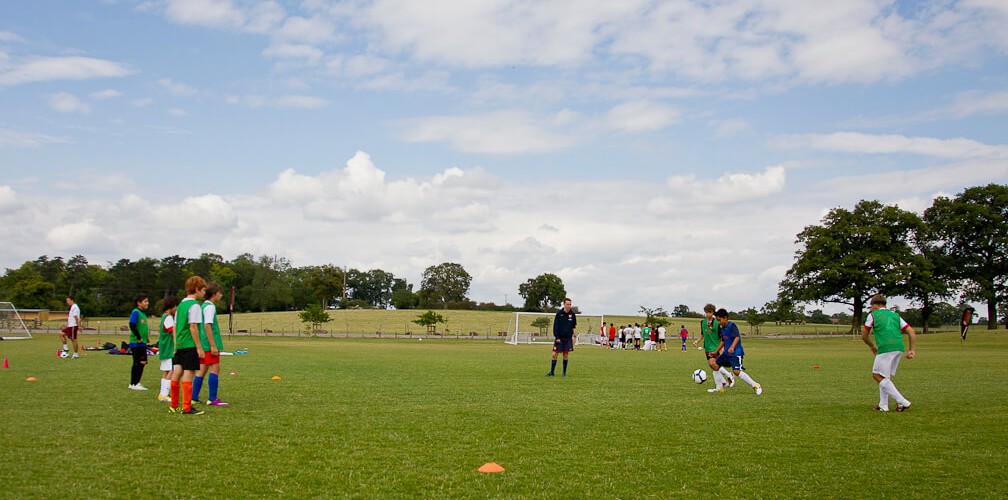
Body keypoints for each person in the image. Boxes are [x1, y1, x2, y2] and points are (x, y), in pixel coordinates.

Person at [861, 294, 916, 412]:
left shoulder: (873, 315)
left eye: (871, 306)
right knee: (884, 376)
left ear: (875, 306)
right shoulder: (895, 315)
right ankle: (883, 405)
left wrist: (872, 346)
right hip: (899, 347)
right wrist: (912, 350)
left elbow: (864, 336)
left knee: (876, 375)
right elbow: (911, 331)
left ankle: (902, 401)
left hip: (885, 348)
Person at [170, 276, 207, 415]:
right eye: (203, 290)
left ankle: (174, 405)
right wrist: (199, 347)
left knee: (177, 372)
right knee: (189, 373)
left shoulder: (180, 305)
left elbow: (175, 326)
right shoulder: (194, 305)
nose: (204, 293)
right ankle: (186, 406)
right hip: (189, 344)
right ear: (197, 290)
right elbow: (193, 327)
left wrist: (175, 345)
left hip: (179, 344)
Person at [193, 283, 229, 407]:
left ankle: (193, 397)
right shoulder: (210, 307)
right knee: (215, 368)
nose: (221, 295)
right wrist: (213, 345)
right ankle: (212, 398)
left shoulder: (203, 306)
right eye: (219, 292)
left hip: (203, 343)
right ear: (214, 294)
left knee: (202, 369)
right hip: (209, 344)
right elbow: (207, 325)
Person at [711, 308, 762, 395]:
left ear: (725, 318)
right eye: (717, 320)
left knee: (736, 372)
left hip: (735, 353)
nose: (718, 322)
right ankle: (719, 387)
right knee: (714, 365)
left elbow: (737, 337)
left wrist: (732, 347)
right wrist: (716, 352)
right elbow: (723, 341)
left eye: (719, 320)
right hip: (726, 354)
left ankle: (756, 385)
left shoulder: (732, 326)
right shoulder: (722, 329)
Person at [694, 304, 733, 389]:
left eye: (710, 312)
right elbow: (702, 334)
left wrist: (722, 348)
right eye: (706, 312)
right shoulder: (703, 322)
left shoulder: (717, 323)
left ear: (713, 313)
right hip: (707, 347)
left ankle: (720, 385)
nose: (708, 314)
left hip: (715, 347)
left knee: (713, 364)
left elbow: (722, 336)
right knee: (713, 365)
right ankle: (725, 379)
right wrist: (697, 341)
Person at [547, 298, 577, 377]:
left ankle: (564, 373)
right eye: (567, 304)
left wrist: (574, 336)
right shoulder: (559, 313)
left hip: (568, 339)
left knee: (566, 355)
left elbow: (573, 326)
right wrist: (557, 337)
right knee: (554, 354)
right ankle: (552, 372)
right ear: (564, 304)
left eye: (570, 304)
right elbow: (556, 326)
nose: (569, 306)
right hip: (559, 338)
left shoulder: (572, 314)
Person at [157, 296, 179, 402]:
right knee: (171, 370)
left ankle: (162, 393)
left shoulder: (163, 317)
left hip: (164, 348)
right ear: (172, 306)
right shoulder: (168, 317)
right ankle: (164, 394)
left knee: (166, 371)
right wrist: (176, 345)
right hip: (169, 348)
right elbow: (173, 332)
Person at [127, 294, 150, 391]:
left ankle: (136, 382)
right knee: (137, 362)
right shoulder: (135, 312)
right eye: (145, 301)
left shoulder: (143, 313)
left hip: (142, 343)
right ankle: (133, 383)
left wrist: (146, 337)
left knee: (143, 362)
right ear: (139, 303)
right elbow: (132, 325)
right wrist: (139, 337)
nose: (147, 303)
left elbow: (142, 327)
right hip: (137, 343)